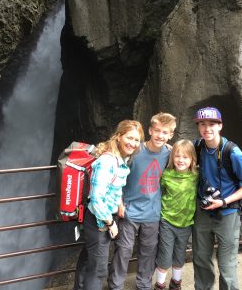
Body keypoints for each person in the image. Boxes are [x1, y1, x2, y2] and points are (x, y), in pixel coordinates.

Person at [73, 120, 145, 290]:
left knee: (87, 260)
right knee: (98, 270)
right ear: (118, 136)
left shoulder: (121, 158)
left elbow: (114, 186)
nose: (133, 143)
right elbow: (97, 198)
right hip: (99, 220)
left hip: (102, 217)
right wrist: (110, 223)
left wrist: (119, 203)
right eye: (130, 138)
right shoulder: (107, 161)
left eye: (137, 140)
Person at [108, 113, 177, 290]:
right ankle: (115, 285)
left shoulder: (170, 154)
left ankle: (144, 285)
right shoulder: (135, 151)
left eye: (165, 132)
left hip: (152, 213)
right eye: (157, 131)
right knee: (123, 250)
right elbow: (118, 176)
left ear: (170, 135)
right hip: (129, 211)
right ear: (149, 130)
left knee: (148, 252)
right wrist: (120, 203)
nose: (160, 135)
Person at [192, 107, 242, 290]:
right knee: (201, 258)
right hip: (203, 211)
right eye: (202, 124)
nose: (207, 128)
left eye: (212, 124)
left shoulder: (232, 152)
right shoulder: (197, 147)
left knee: (227, 264)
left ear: (220, 125)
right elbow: (178, 156)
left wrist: (224, 201)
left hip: (228, 212)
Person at [154, 139, 199, 290]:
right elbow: (157, 192)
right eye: (177, 156)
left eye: (185, 157)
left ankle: (176, 283)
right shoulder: (166, 175)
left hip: (186, 223)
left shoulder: (196, 176)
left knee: (180, 255)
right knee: (165, 256)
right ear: (172, 157)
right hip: (167, 221)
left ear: (192, 159)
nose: (181, 160)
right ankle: (160, 284)